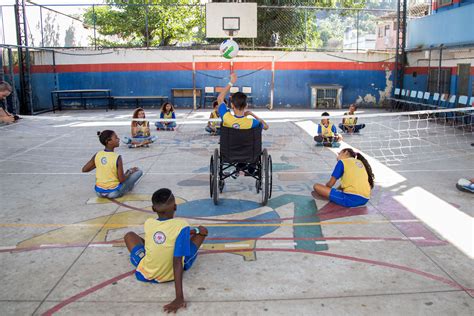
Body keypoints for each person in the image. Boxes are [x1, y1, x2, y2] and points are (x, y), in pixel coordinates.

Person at [124, 188, 208, 313]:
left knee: (129, 235)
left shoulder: (149, 223)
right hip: (169, 274)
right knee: (202, 232)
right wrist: (179, 297)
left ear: (153, 209)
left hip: (145, 272)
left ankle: (157, 250)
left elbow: (167, 231)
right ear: (175, 207)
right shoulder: (182, 225)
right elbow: (177, 261)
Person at [82, 130, 143, 198]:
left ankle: (127, 186)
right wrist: (130, 171)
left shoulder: (97, 154)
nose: (118, 139)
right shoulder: (117, 157)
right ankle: (128, 187)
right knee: (139, 172)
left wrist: (99, 164)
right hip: (113, 192)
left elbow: (84, 169)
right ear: (109, 141)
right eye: (116, 138)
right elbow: (121, 180)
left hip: (99, 192)